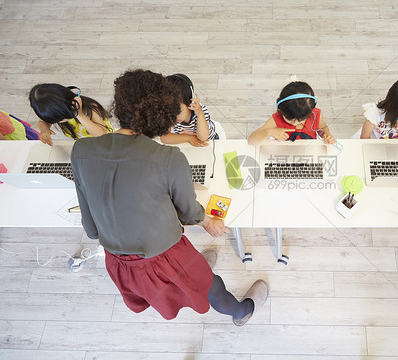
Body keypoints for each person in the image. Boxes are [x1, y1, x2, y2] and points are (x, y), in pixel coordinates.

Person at [71, 69, 268, 325]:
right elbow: (189, 213)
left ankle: (198, 267)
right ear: (163, 116)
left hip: (116, 261)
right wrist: (207, 221)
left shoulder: (81, 149)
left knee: (189, 278)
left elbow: (91, 228)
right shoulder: (169, 158)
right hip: (164, 257)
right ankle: (242, 312)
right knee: (212, 286)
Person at [248, 80, 335, 145]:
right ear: (281, 110)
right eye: (289, 119)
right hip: (283, 155)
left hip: (308, 153)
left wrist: (326, 134)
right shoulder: (277, 119)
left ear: (311, 111)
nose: (295, 123)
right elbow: (251, 140)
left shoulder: (316, 115)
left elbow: (323, 127)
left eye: (300, 120)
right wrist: (269, 132)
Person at [29, 83, 114, 146]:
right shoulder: (58, 112)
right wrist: (44, 130)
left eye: (61, 119)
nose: (60, 122)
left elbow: (102, 136)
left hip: (105, 143)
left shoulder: (90, 108)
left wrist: (79, 115)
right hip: (83, 145)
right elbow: (43, 122)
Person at [160, 74, 217, 146]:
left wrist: (200, 114)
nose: (174, 116)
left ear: (190, 102)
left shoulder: (199, 111)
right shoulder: (167, 114)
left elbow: (203, 137)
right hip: (187, 142)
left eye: (178, 111)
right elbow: (164, 138)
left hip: (210, 142)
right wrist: (188, 138)